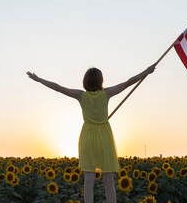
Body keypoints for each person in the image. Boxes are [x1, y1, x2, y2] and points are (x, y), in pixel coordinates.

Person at [26, 64, 156, 203]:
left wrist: (39, 80)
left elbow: (58, 88)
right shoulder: (106, 93)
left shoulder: (81, 95)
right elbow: (128, 82)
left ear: (85, 81)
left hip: (87, 137)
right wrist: (146, 72)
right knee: (108, 181)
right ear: (101, 81)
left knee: (88, 180)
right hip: (104, 137)